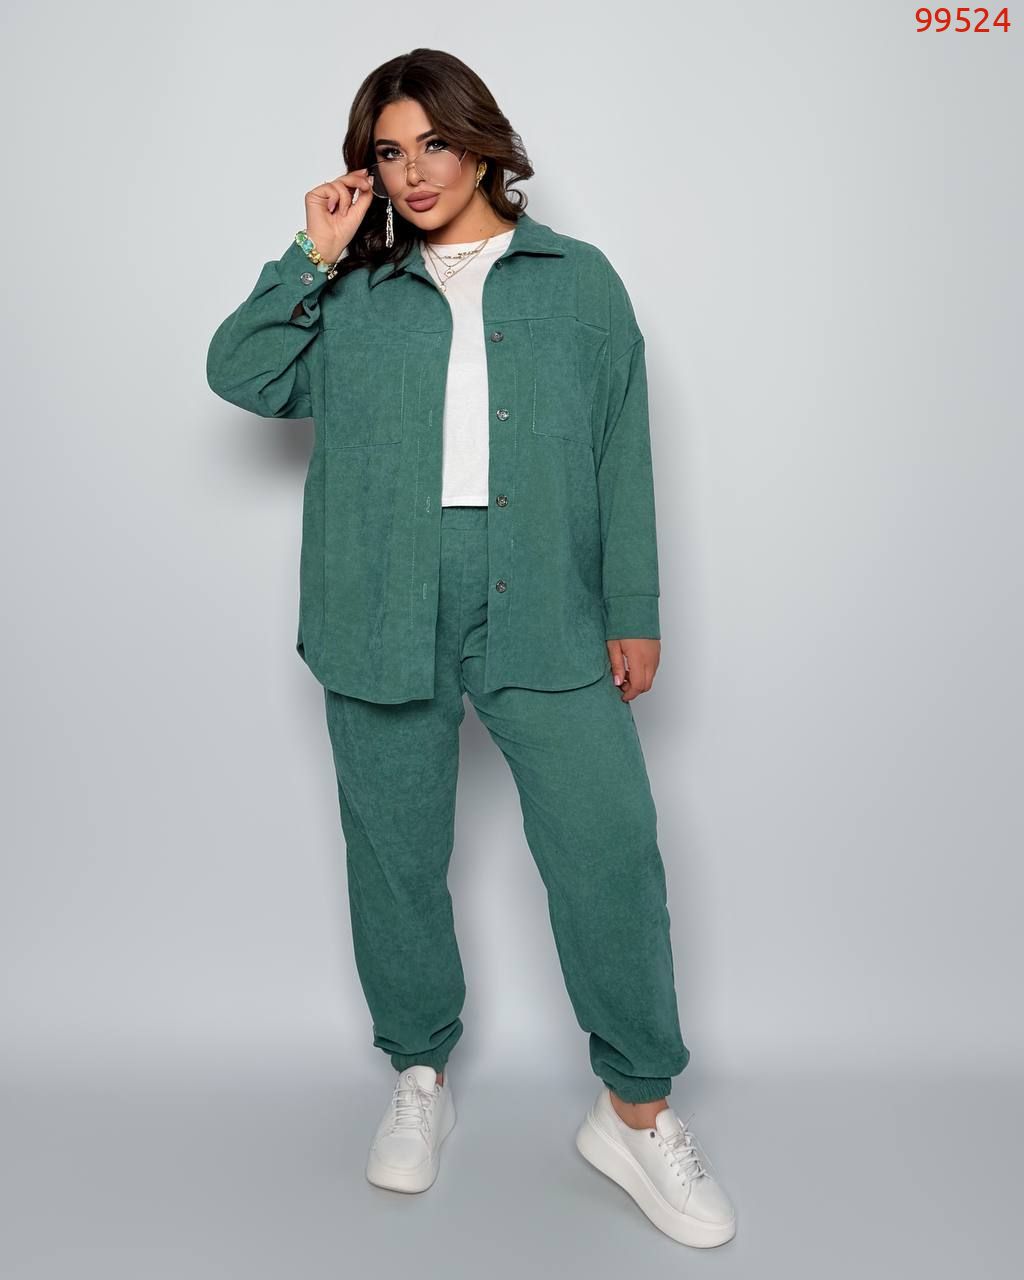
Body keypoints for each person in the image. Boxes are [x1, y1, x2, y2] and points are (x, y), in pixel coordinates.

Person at [206, 47, 736, 1249]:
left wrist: (634, 606)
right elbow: (239, 374)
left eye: (432, 144)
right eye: (387, 153)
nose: (413, 172)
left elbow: (620, 444)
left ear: (481, 142)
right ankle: (418, 1072)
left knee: (608, 849)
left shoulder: (578, 282)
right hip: (377, 601)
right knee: (395, 858)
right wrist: (311, 255)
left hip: (543, 596)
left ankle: (636, 1110)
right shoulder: (349, 290)